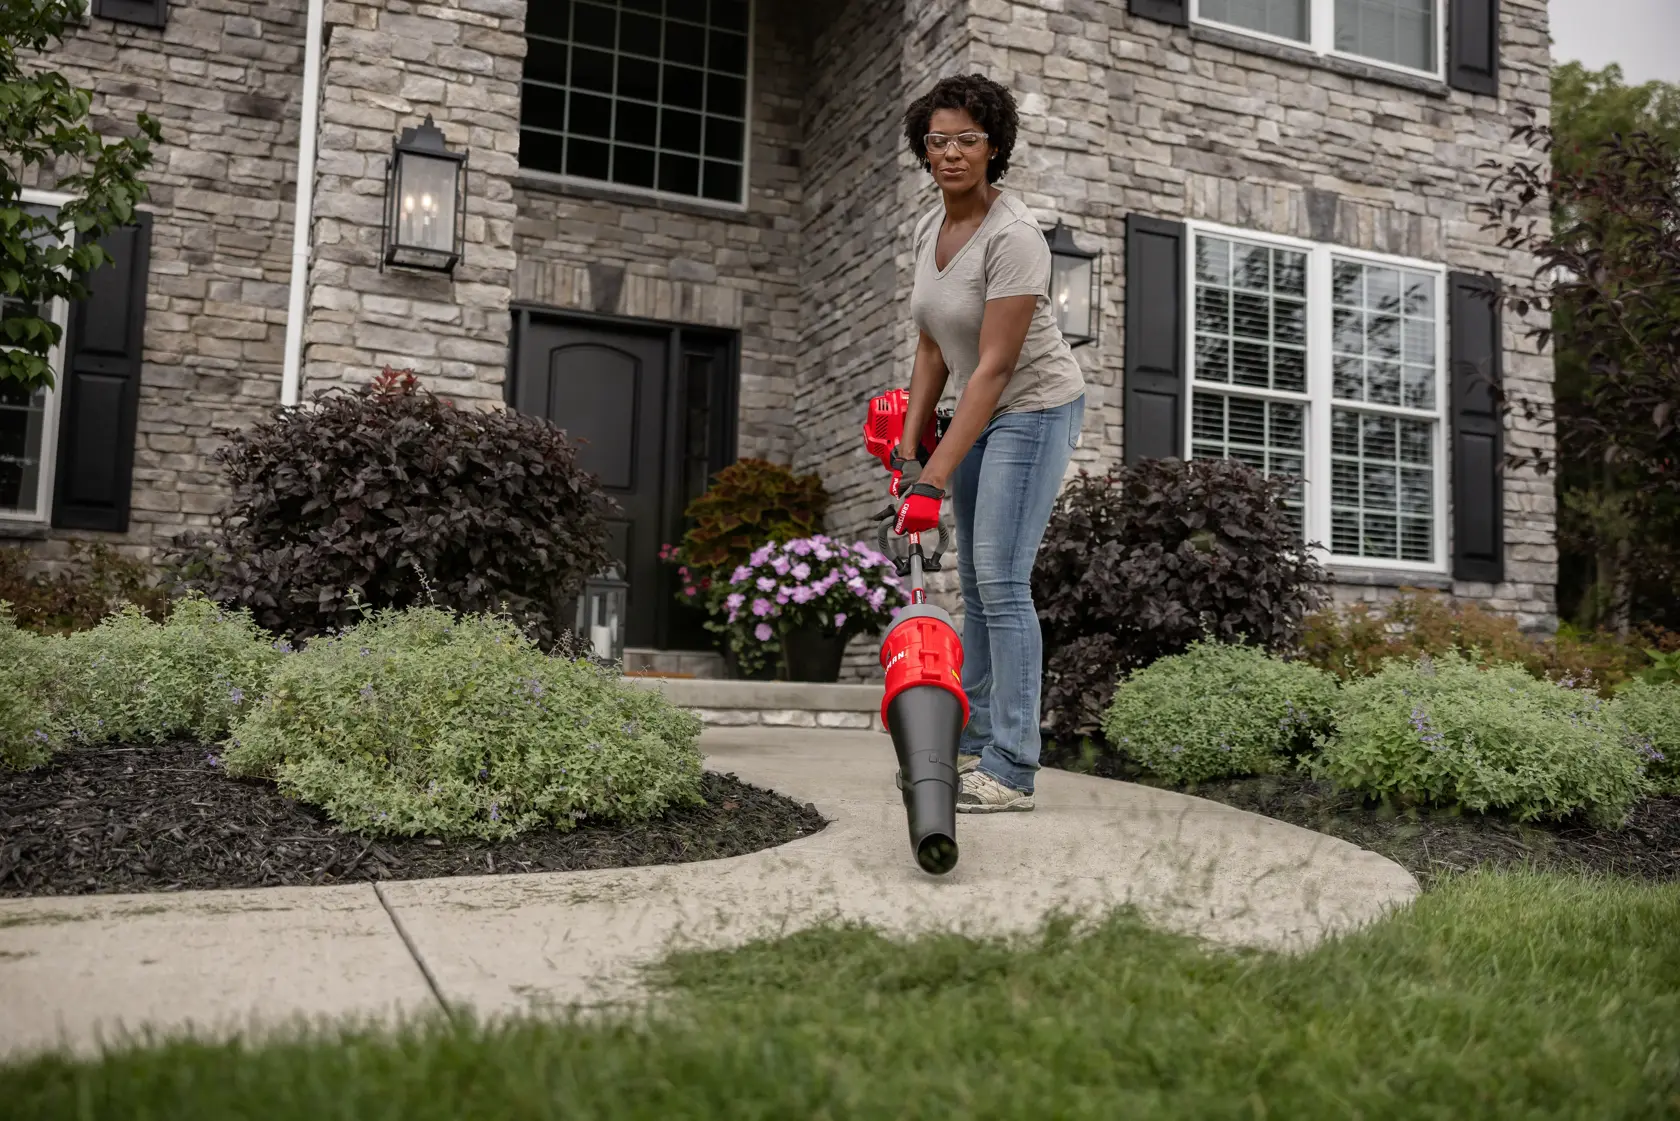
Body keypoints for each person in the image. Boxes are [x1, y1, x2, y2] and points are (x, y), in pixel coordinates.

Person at [891, 73, 1086, 814]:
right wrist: (911, 448)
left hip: (1031, 407)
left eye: (966, 140)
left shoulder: (1016, 238)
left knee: (1002, 582)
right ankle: (967, 747)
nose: (951, 153)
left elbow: (998, 367)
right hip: (978, 406)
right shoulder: (929, 228)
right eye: (938, 140)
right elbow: (935, 347)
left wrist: (934, 480)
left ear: (993, 147)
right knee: (974, 586)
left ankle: (1012, 766)